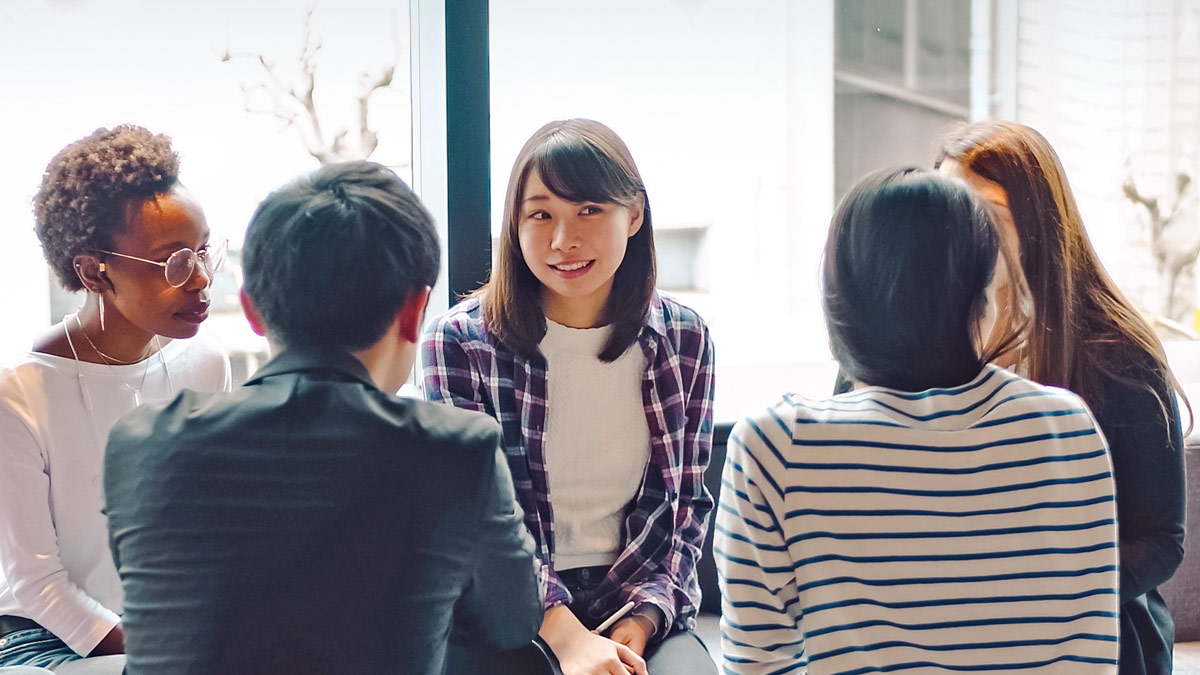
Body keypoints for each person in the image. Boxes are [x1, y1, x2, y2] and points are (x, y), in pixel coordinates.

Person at [103, 160, 542, 675]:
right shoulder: (457, 451)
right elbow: (514, 623)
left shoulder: (141, 443)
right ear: (414, 311)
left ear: (252, 310)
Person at [716, 167, 1121, 674]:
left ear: (839, 295)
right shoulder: (1068, 428)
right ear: (982, 292)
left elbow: (759, 664)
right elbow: (1090, 653)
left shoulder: (776, 444)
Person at [422, 119, 717, 675]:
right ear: (514, 224)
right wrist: (566, 636)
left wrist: (643, 620)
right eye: (541, 214)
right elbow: (472, 523)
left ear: (634, 215)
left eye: (589, 211)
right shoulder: (459, 342)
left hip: (632, 595)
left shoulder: (683, 337)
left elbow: (685, 510)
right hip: (504, 610)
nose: (563, 240)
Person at [938, 120, 1187, 675]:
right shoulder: (907, 334)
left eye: (988, 217)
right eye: (947, 211)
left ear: (1038, 227)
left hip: (1093, 628)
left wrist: (1039, 593)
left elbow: (1160, 540)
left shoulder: (1117, 354)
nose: (962, 234)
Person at [0, 125, 231, 671]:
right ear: (92, 271)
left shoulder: (205, 362)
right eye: (175, 262)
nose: (201, 281)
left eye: (203, 253)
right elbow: (36, 585)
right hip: (40, 640)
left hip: (166, 630)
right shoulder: (18, 394)